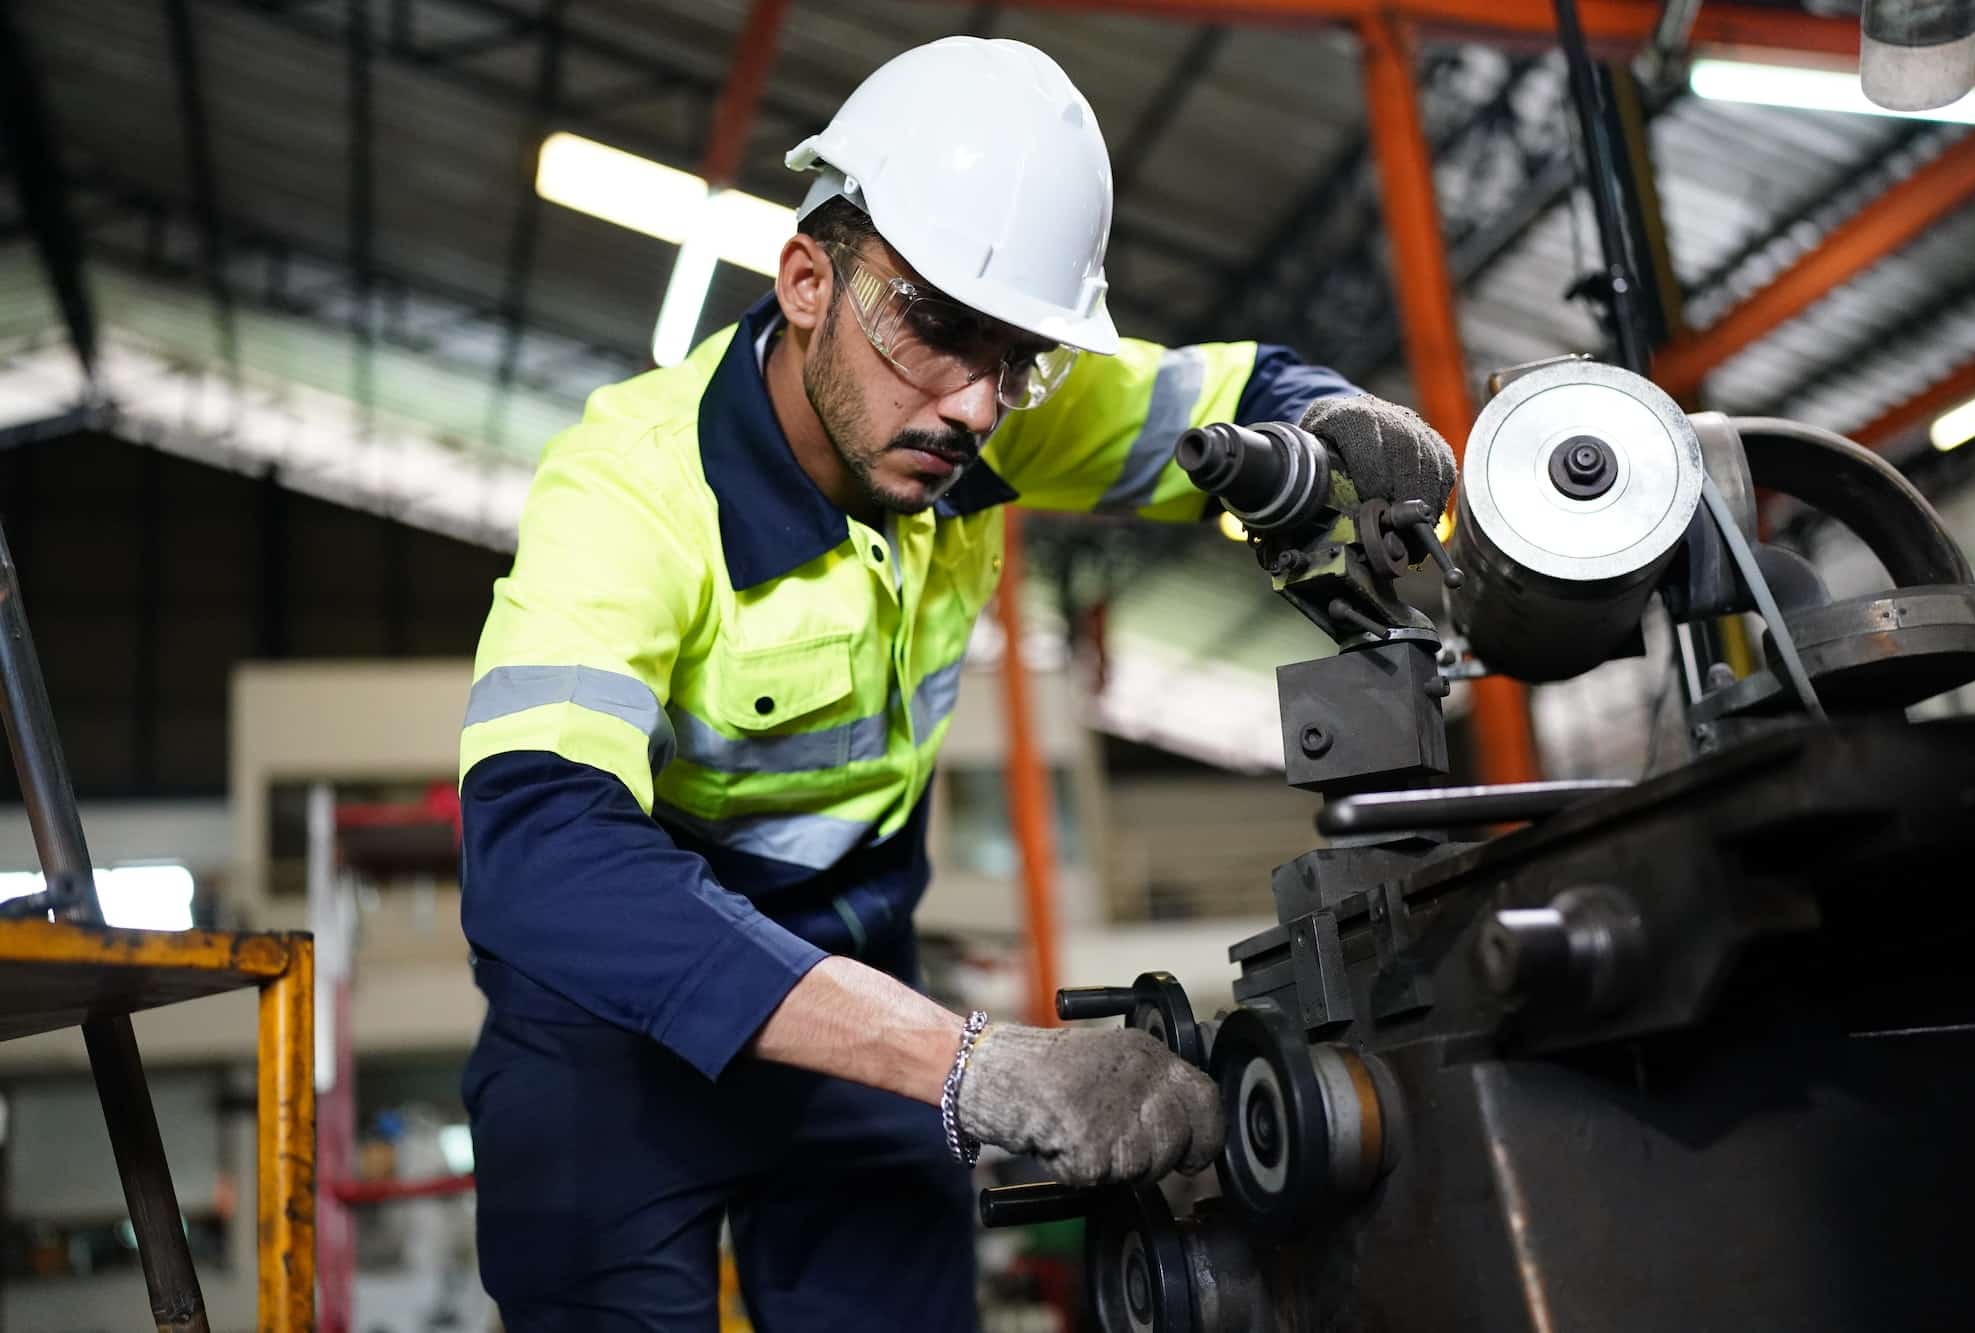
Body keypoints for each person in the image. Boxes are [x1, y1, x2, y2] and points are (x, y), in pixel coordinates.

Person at [456, 34, 1456, 1332]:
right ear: (806, 280)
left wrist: (1333, 425)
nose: (980, 408)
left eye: (1018, 357)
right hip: (610, 1029)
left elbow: (1234, 392)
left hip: (852, 985)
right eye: (934, 330)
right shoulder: (631, 494)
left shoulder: (979, 410)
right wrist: (970, 1062)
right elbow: (540, 851)